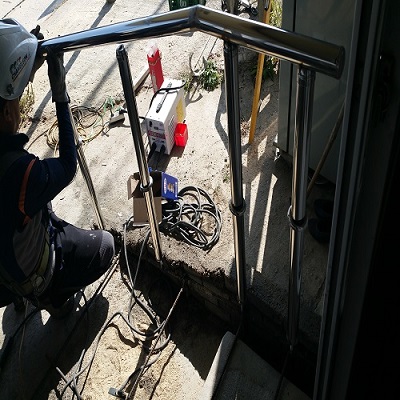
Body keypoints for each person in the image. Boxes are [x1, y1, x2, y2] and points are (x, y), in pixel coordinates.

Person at [0, 18, 115, 318]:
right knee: (106, 245)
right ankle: (51, 295)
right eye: (16, 99)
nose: (18, 104)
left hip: (4, 265)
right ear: (6, 112)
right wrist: (60, 93)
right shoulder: (20, 172)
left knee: (36, 199)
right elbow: (67, 165)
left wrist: (26, 66)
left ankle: (19, 288)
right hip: (32, 271)